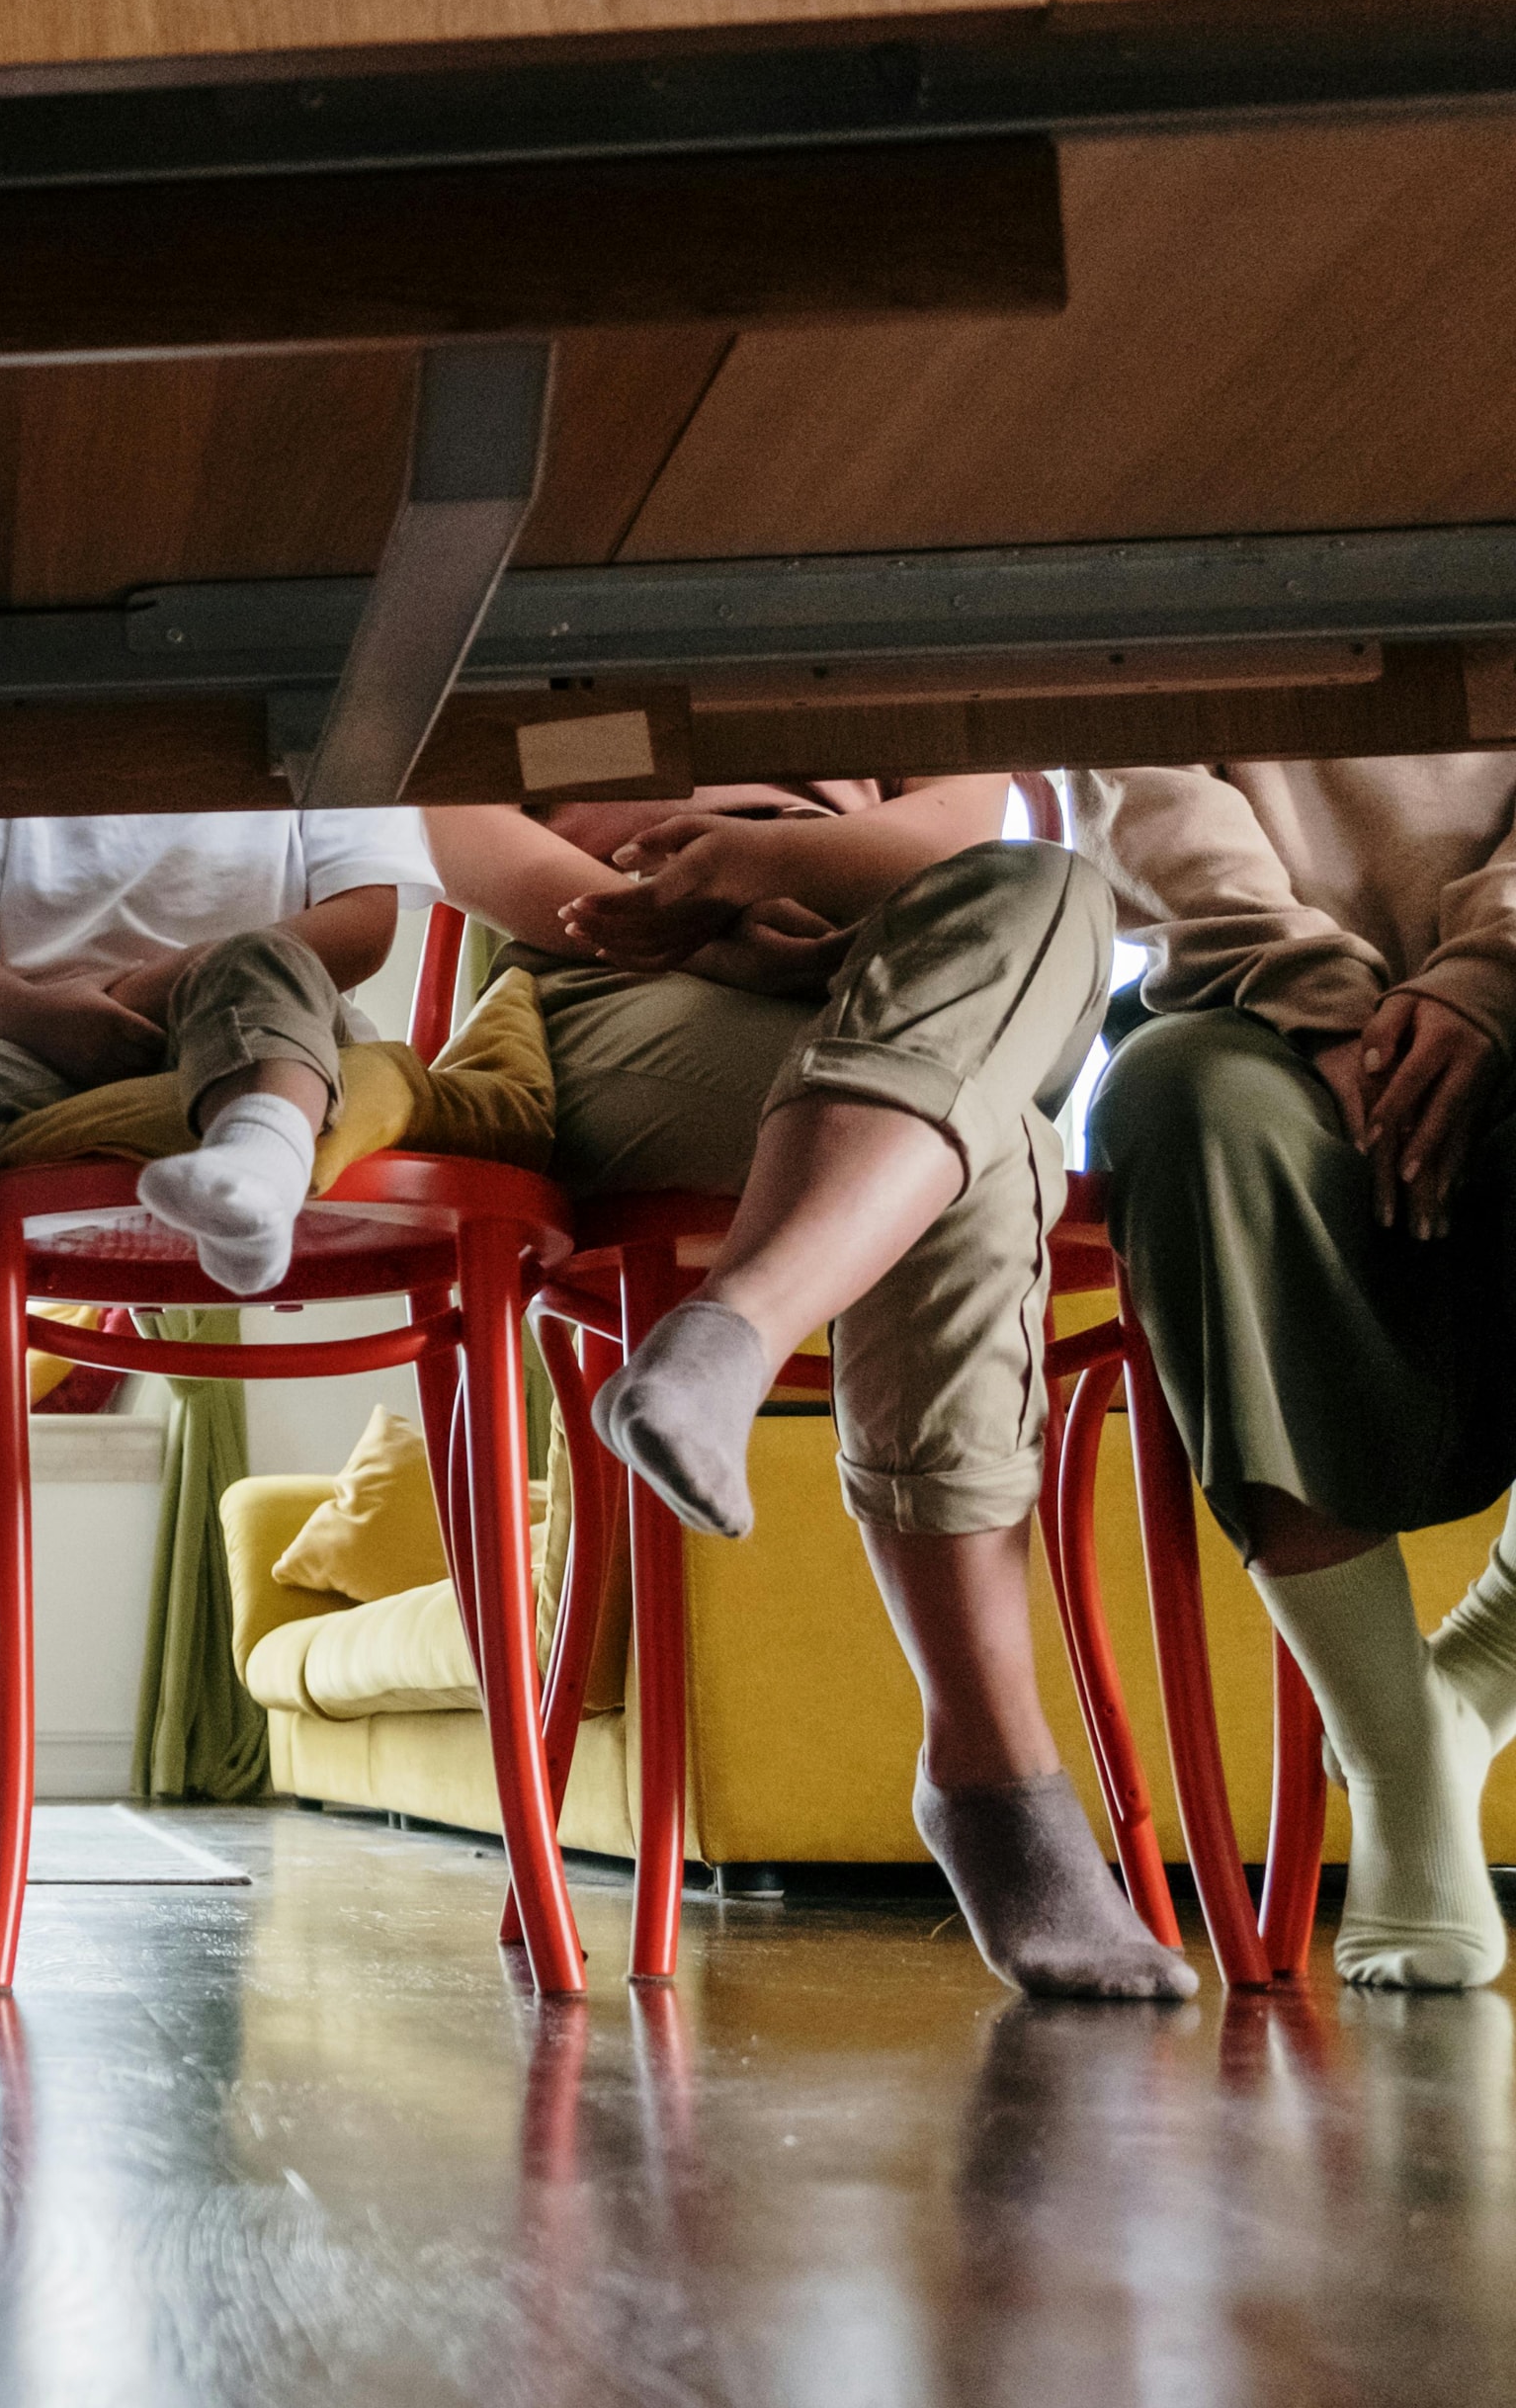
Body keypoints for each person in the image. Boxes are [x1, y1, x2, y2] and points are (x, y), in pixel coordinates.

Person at [428, 782, 1193, 2000]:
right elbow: (444, 819)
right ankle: (993, 1778)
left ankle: (732, 1333)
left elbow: (951, 834)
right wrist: (676, 910)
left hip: (904, 969)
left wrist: (763, 860)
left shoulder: (915, 604)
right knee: (978, 1157)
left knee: (1051, 887)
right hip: (626, 989)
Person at [1074, 756, 1516, 1991]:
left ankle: (1485, 1666)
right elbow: (1137, 785)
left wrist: (1488, 981)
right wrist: (1321, 1001)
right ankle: (1394, 1757)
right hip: (1250, 999)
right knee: (1181, 1105)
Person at [0, 807, 432, 1681]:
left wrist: (168, 980)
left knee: (262, 958)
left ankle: (258, 1166)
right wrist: (38, 1015)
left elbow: (362, 926)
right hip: (48, 1040)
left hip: (261, 1012)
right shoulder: (15, 733)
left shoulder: (319, 726)